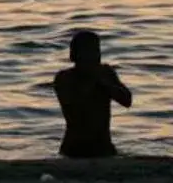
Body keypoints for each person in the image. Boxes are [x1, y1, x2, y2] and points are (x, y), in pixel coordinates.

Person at [52, 29, 133, 159]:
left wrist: (105, 84)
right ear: (74, 55)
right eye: (88, 52)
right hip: (74, 149)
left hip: (104, 147)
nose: (94, 56)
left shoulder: (106, 73)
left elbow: (127, 100)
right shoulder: (65, 77)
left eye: (96, 51)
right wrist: (92, 81)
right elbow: (72, 107)